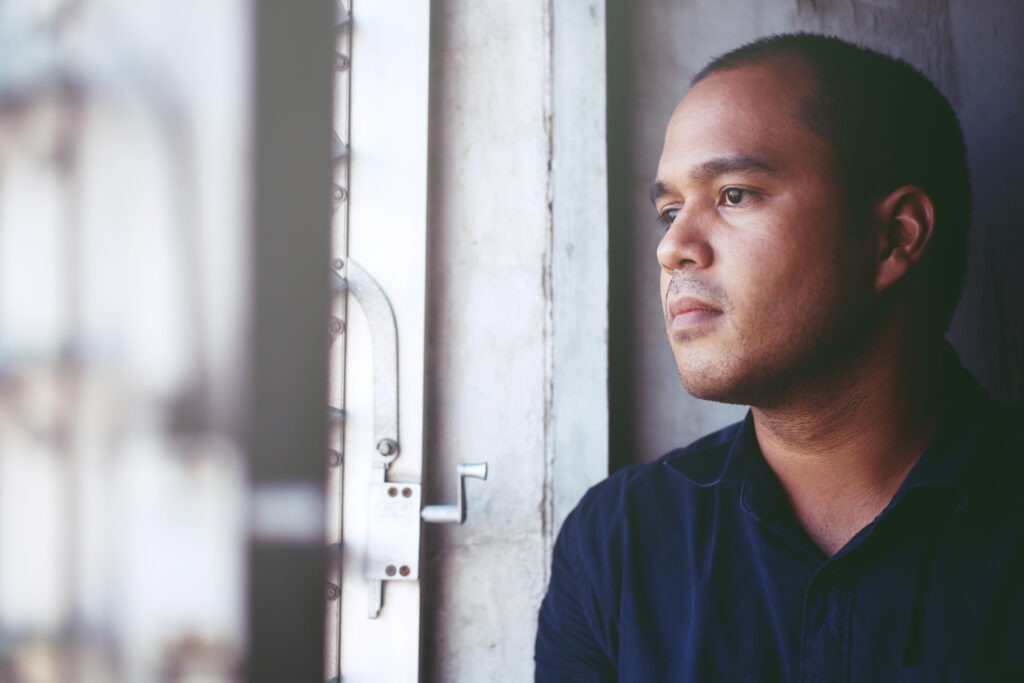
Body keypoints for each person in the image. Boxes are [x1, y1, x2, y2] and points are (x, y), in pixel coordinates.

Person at [535, 33, 1024, 681]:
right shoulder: (618, 542)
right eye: (670, 209)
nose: (673, 247)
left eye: (734, 194)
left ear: (893, 237)